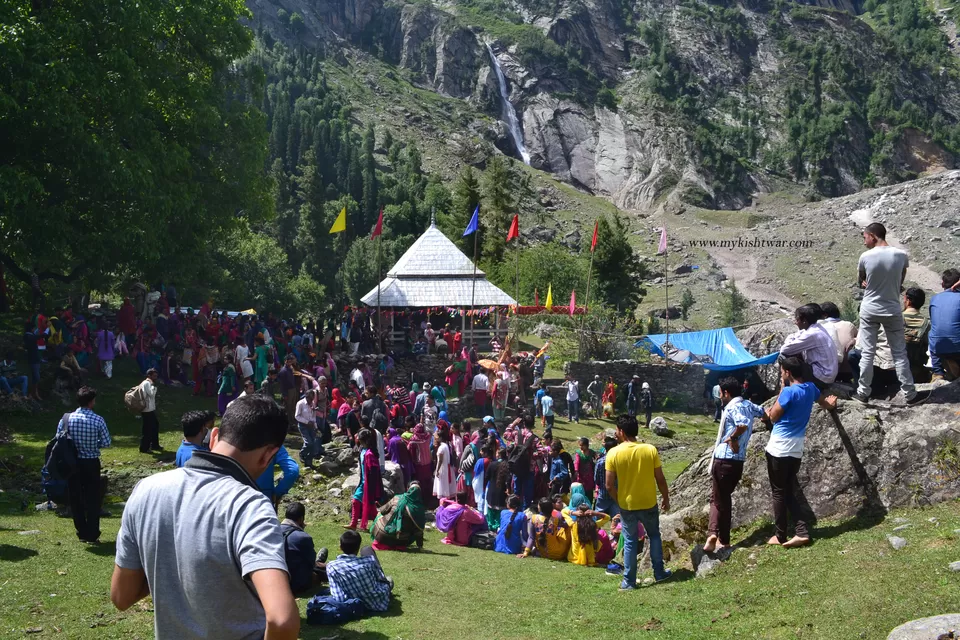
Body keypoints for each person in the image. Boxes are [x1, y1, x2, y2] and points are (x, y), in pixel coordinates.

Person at [111, 394, 300, 640]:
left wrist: (170, 566)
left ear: (214, 436)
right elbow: (282, 620)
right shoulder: (250, 506)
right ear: (268, 455)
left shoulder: (146, 489)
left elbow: (121, 596)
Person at [853, 223, 929, 405]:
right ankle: (910, 394)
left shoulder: (865, 256)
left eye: (865, 237)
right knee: (899, 353)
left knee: (867, 352)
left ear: (872, 235)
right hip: (892, 309)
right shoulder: (901, 255)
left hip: (870, 308)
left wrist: (866, 282)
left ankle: (863, 393)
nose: (864, 242)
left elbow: (861, 281)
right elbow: (900, 279)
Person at [605, 414, 671, 590]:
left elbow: (609, 485)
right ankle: (659, 573)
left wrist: (619, 500)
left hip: (627, 505)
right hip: (649, 501)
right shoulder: (650, 449)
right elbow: (660, 479)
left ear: (621, 431)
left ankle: (629, 581)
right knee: (654, 535)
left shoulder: (613, 453)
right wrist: (665, 497)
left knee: (630, 541)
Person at [703, 377, 766, 553]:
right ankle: (724, 540)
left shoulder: (733, 407)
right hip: (738, 462)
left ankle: (712, 533)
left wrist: (733, 437)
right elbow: (763, 412)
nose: (720, 397)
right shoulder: (748, 405)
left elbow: (742, 424)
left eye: (721, 394)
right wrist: (767, 421)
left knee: (716, 500)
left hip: (723, 458)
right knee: (725, 499)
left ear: (727, 393)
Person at [764, 356, 820, 548]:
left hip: (779, 448)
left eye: (782, 372)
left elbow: (773, 416)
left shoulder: (789, 392)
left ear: (787, 373)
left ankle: (780, 535)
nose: (781, 374)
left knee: (779, 492)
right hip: (796, 449)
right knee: (788, 490)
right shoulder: (811, 388)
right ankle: (801, 531)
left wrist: (782, 388)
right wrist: (831, 403)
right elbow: (824, 401)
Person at [57, 387, 111, 543]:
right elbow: (106, 442)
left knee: (75, 497)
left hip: (72, 463)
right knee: (93, 498)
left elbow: (59, 438)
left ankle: (82, 532)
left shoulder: (66, 419)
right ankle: (92, 534)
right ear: (91, 402)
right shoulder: (98, 420)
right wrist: (94, 444)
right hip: (91, 462)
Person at [779, 304, 839, 410]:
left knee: (783, 357)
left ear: (804, 321)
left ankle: (791, 388)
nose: (795, 322)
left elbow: (785, 349)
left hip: (822, 376)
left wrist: (789, 339)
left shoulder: (812, 334)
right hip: (827, 373)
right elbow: (797, 334)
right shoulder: (817, 328)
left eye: (797, 319)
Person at [326, 530, 393, 613]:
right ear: (358, 547)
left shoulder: (332, 566)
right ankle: (388, 586)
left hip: (354, 605)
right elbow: (380, 578)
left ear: (340, 547)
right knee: (366, 549)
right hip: (378, 602)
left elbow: (339, 597)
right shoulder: (369, 561)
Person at [280, 502, 326, 594]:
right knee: (319, 572)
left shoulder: (273, 531)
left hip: (277, 579)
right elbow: (311, 563)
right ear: (301, 519)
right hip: (295, 583)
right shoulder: (303, 537)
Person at [370, 482, 426, 551]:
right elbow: (419, 530)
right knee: (413, 527)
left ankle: (378, 536)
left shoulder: (397, 498)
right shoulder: (419, 508)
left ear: (408, 489)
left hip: (382, 536)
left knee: (380, 514)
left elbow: (383, 511)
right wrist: (420, 545)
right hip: (401, 540)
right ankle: (397, 544)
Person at [348, 429, 382, 531]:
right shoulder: (363, 451)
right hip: (363, 482)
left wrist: (371, 487)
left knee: (362, 503)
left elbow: (374, 472)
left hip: (368, 483)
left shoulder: (370, 454)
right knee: (364, 503)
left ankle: (380, 524)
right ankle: (354, 524)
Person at [929, 268, 960, 381]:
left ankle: (938, 373)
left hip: (939, 348)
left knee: (933, 332)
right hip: (957, 346)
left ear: (942, 284)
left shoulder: (934, 299)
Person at [820, 302, 858, 383]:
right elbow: (860, 337)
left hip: (827, 372)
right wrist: (854, 340)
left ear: (825, 315)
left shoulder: (821, 327)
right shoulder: (849, 325)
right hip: (849, 370)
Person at [901, 287, 931, 382]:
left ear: (908, 301)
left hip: (896, 367)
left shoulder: (897, 318)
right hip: (916, 369)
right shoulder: (926, 323)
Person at [593, 430, 620, 516]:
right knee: (617, 517)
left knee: (598, 517)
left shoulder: (600, 461)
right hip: (616, 493)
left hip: (603, 494)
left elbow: (596, 479)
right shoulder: (619, 461)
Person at [296, 389, 322, 468]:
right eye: (310, 398)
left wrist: (316, 427)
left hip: (311, 426)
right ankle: (302, 454)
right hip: (303, 426)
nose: (312, 400)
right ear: (307, 397)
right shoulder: (300, 403)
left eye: (313, 398)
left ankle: (309, 462)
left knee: (313, 444)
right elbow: (297, 416)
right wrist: (307, 422)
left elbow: (313, 417)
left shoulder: (312, 403)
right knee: (309, 442)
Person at [138, 369, 161, 454]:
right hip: (147, 410)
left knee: (155, 425)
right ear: (149, 376)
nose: (156, 378)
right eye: (154, 376)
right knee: (148, 429)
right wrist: (154, 386)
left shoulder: (146, 383)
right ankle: (144, 447)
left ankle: (155, 444)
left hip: (149, 409)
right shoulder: (147, 383)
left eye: (156, 376)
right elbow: (151, 394)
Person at [433, 424, 457, 501]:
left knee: (442, 486)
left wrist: (437, 470)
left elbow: (440, 460)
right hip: (447, 468)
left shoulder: (441, 448)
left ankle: (443, 502)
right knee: (446, 486)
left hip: (442, 469)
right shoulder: (446, 445)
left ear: (440, 438)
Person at [278, 354, 299, 430]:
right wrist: (285, 394)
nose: (289, 362)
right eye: (288, 361)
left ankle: (293, 421)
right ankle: (290, 423)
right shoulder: (283, 371)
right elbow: (282, 384)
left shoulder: (290, 369)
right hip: (288, 391)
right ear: (285, 361)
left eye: (290, 361)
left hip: (293, 389)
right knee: (288, 408)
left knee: (293, 406)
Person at [23, 321, 42, 400]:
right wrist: (46, 330)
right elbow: (37, 337)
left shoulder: (31, 335)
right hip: (32, 359)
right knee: (36, 377)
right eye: (34, 328)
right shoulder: (28, 336)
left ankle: (34, 393)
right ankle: (32, 392)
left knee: (35, 377)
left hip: (36, 358)